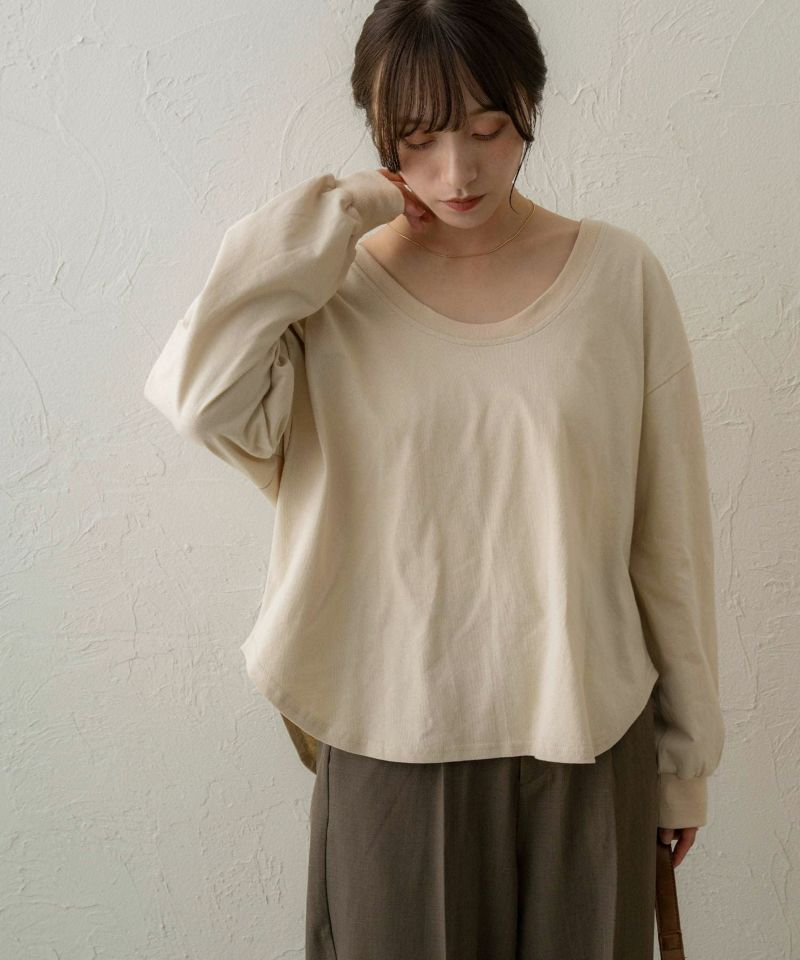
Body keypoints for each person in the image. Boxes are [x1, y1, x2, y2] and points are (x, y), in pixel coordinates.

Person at [143, 1, 725, 956]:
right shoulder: (331, 294)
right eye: (419, 140)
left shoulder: (619, 278)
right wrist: (343, 212)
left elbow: (669, 541)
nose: (459, 173)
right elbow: (199, 395)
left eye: (490, 130)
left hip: (588, 738)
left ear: (529, 102)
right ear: (380, 134)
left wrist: (684, 761)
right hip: (391, 743)